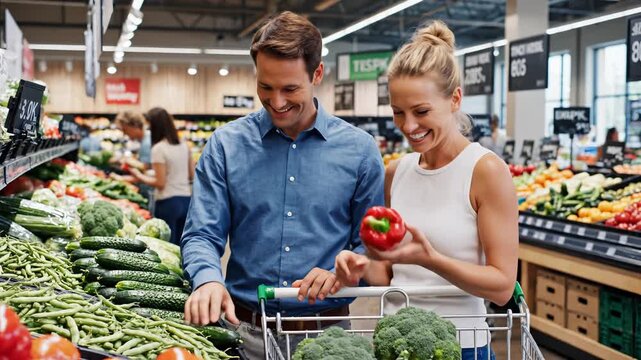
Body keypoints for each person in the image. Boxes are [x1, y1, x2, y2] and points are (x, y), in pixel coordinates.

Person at [180, 11, 385, 358]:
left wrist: (347, 268)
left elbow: (372, 246)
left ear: (317, 73)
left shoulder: (360, 151)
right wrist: (208, 278)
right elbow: (202, 233)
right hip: (244, 335)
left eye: (290, 88)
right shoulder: (225, 145)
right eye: (265, 87)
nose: (277, 102)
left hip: (329, 340)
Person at [332, 21, 518, 360]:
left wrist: (430, 259)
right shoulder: (396, 172)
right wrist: (359, 265)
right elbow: (385, 274)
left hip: (462, 345)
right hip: (396, 343)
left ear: (455, 99)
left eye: (421, 112)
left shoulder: (486, 171)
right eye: (398, 113)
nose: (409, 126)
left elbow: (503, 286)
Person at [128, 107, 194, 246]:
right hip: (186, 201)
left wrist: (139, 175)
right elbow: (191, 175)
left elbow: (160, 182)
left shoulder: (159, 148)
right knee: (183, 246)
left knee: (167, 247)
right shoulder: (184, 145)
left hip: (168, 202)